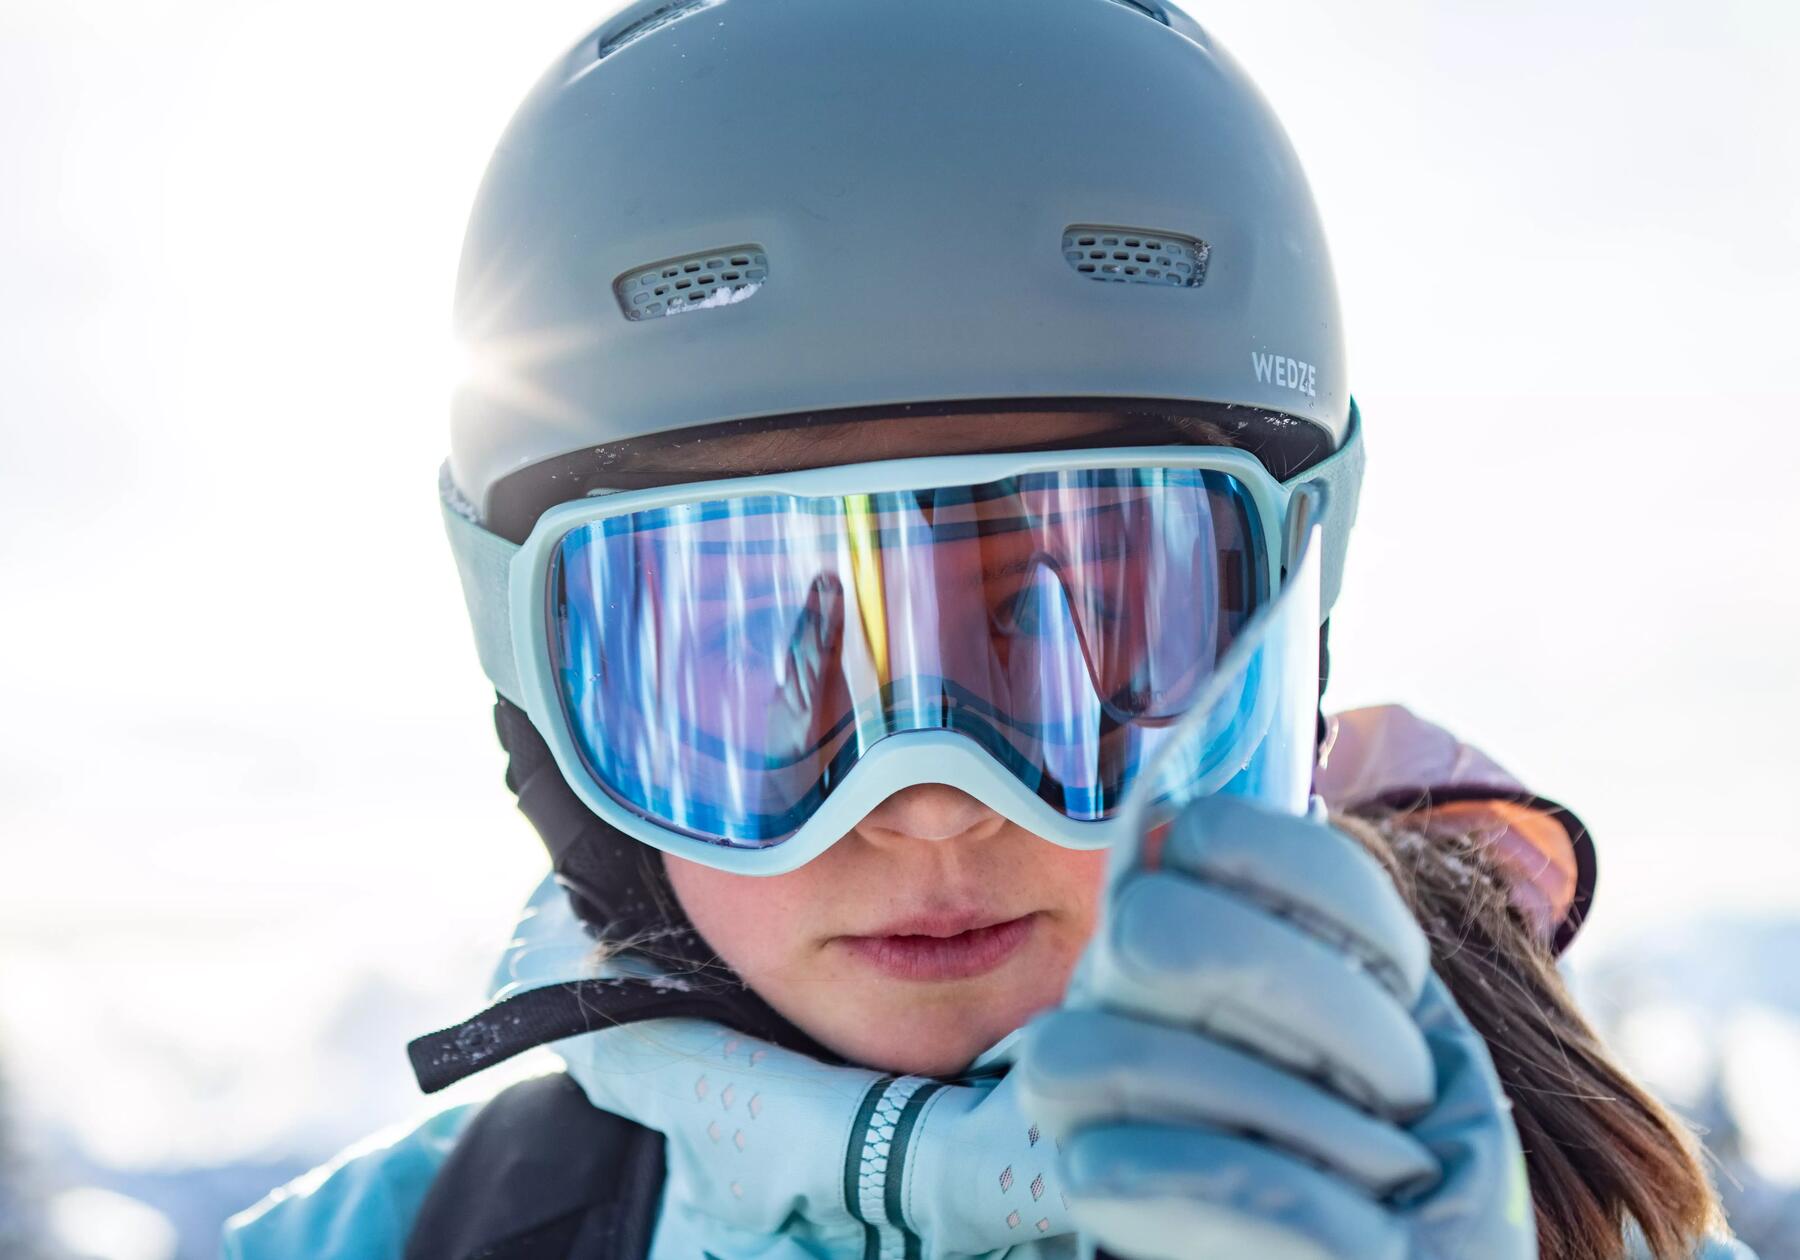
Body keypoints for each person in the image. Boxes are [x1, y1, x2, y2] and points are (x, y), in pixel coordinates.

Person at [223, 0, 1753, 1256]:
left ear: (1282, 617)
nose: (931, 796)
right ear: (551, 707)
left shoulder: (1555, 1215)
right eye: (766, 666)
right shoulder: (419, 1236)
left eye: (1067, 628)